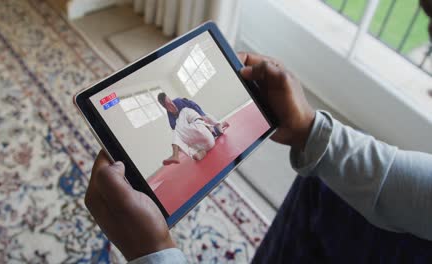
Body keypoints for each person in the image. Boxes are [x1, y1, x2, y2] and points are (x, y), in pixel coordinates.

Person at [84, 1, 432, 261]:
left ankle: (207, 140)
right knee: (319, 181)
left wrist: (153, 252)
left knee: (198, 126)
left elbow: (199, 114)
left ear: (170, 100)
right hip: (188, 137)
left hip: (203, 127)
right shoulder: (171, 119)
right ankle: (183, 152)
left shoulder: (184, 105)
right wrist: (311, 130)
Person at [157, 93, 229, 165]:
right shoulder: (171, 118)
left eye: (170, 101)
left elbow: (192, 105)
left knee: (206, 118)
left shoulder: (179, 102)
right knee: (184, 135)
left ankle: (220, 124)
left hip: (196, 117)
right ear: (165, 107)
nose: (172, 104)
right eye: (168, 104)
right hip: (192, 127)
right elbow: (177, 130)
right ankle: (199, 151)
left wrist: (201, 114)